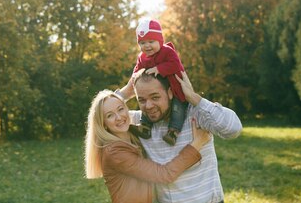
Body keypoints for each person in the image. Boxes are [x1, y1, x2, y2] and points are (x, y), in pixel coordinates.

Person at [132, 70, 242, 203]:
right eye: (142, 100)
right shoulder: (141, 123)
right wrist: (126, 92)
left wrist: (193, 97)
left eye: (155, 97)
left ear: (170, 93)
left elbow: (233, 129)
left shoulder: (195, 113)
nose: (148, 106)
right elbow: (103, 116)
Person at [85, 89, 212, 203]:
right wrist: (197, 144)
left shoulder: (132, 134)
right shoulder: (115, 153)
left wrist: (128, 90)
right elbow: (164, 175)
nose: (119, 117)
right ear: (104, 123)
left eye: (120, 109)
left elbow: (112, 104)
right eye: (110, 115)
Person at [116, 17, 189, 145]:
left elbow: (175, 65)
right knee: (147, 104)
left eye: (151, 41)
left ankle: (173, 132)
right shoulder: (142, 57)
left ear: (160, 41)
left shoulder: (168, 51)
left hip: (176, 88)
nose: (147, 46)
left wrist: (159, 68)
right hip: (157, 90)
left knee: (178, 109)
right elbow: (137, 69)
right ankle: (145, 127)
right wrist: (134, 78)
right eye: (143, 43)